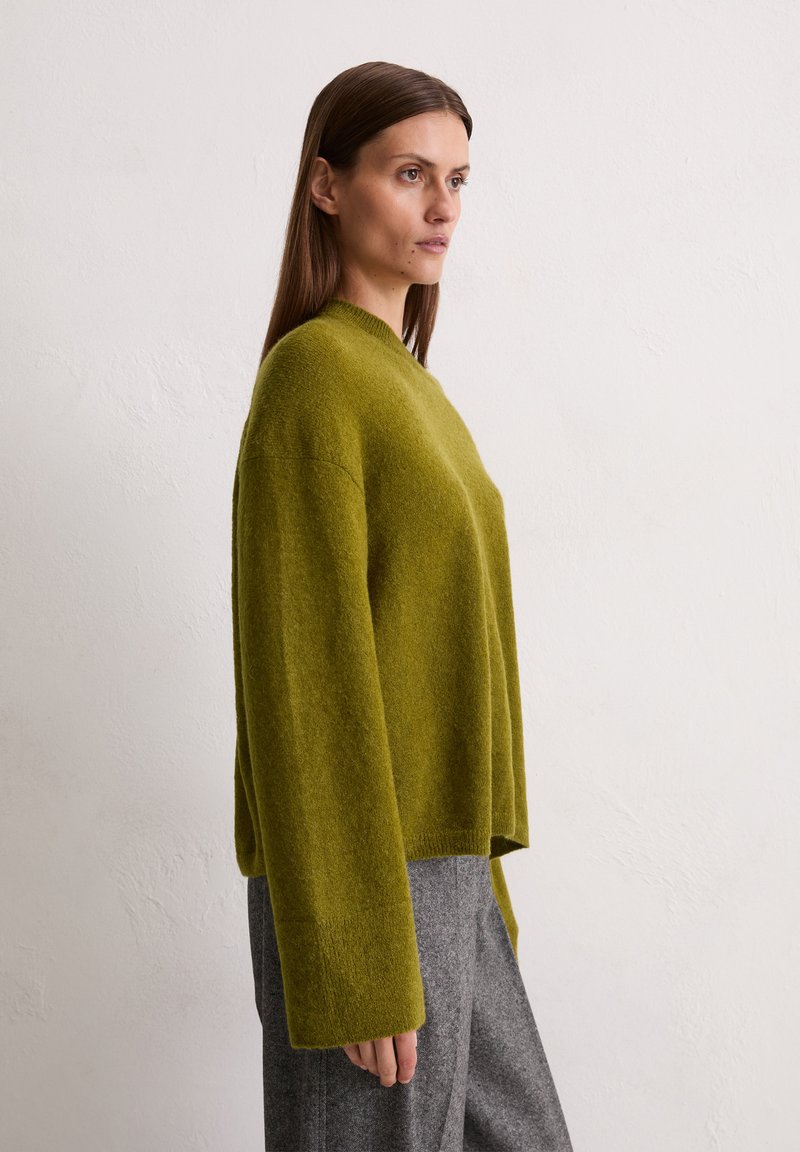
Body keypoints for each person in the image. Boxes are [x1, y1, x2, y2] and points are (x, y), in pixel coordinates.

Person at [231, 60, 574, 1151]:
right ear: (328, 185)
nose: (442, 208)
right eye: (410, 173)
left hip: (445, 873)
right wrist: (355, 950)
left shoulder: (412, 387)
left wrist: (476, 898)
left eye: (457, 180)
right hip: (366, 880)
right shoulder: (314, 376)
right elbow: (304, 678)